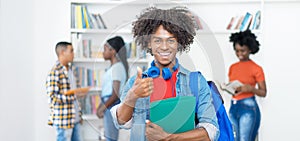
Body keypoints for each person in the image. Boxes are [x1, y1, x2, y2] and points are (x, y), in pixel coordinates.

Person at [110, 7, 219, 141]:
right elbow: (120, 122)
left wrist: (169, 137)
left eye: (171, 40)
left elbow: (210, 131)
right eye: (157, 40)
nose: (164, 47)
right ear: (149, 43)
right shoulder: (136, 83)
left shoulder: (196, 81)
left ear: (179, 43)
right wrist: (132, 97)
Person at [228, 30, 267, 141]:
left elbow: (263, 92)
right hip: (233, 107)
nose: (239, 54)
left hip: (248, 107)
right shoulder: (233, 67)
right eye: (237, 51)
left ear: (250, 49)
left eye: (243, 51)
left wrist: (250, 88)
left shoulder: (256, 68)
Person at [46, 41, 88, 141]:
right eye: (71, 51)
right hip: (63, 121)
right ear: (62, 52)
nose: (73, 54)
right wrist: (74, 96)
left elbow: (75, 92)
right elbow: (53, 97)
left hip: (76, 119)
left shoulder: (72, 70)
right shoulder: (55, 72)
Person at [96, 36, 129, 141]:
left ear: (113, 51)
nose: (103, 52)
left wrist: (103, 107)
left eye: (105, 49)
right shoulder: (112, 68)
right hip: (109, 104)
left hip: (112, 105)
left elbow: (115, 94)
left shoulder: (117, 68)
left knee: (111, 138)